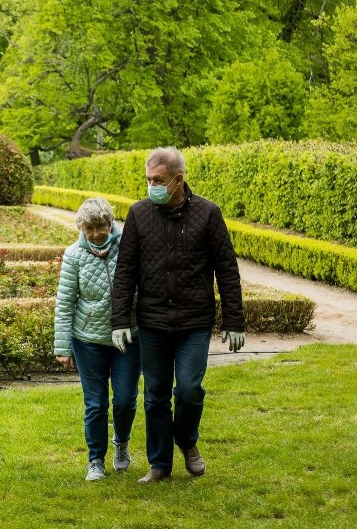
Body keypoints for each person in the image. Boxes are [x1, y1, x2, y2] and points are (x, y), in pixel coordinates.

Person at [111, 147, 245, 484]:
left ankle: (187, 441)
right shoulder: (139, 214)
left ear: (178, 179)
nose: (151, 185)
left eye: (158, 180)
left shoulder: (208, 214)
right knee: (156, 395)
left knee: (188, 389)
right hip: (153, 321)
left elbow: (226, 268)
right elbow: (125, 271)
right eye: (148, 179)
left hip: (194, 321)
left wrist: (234, 320)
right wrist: (119, 321)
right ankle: (159, 465)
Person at [54, 197, 140, 482]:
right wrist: (63, 347)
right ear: (81, 228)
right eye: (89, 228)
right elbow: (65, 304)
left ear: (110, 223)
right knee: (95, 403)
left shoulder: (129, 246)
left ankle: (122, 442)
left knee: (126, 399)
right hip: (88, 340)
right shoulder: (74, 255)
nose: (96, 234)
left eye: (101, 226)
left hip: (128, 337)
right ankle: (95, 461)